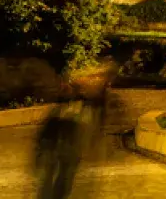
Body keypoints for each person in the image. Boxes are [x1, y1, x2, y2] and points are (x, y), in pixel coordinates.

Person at [31, 63, 112, 199]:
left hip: (67, 150)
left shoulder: (80, 108)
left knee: (61, 177)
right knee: (57, 178)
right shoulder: (65, 110)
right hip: (62, 149)